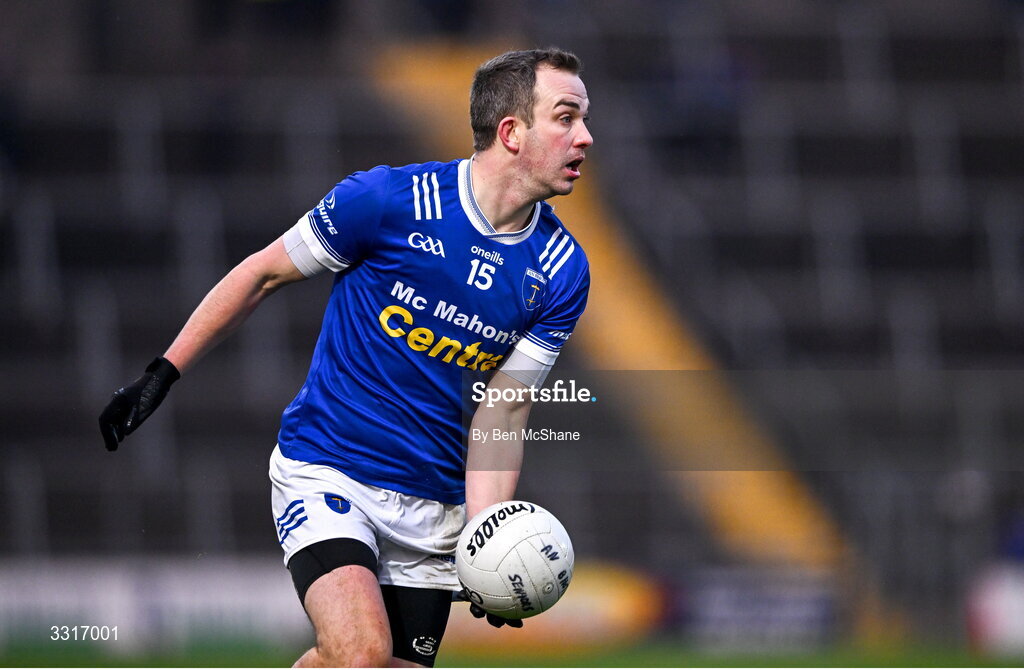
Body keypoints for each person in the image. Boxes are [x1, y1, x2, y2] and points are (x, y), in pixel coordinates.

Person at [98, 47, 592, 668]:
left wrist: (485, 533)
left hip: (432, 510)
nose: (586, 136)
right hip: (331, 471)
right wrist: (163, 371)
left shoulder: (562, 269)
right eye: (567, 117)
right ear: (512, 132)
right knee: (362, 653)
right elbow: (264, 275)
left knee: (349, 663)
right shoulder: (387, 200)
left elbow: (504, 407)